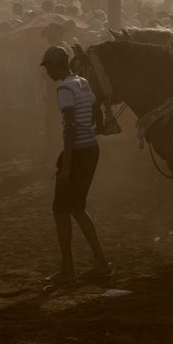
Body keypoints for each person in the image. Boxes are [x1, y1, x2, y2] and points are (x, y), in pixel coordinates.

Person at [42, 45, 109, 286]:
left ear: (56, 64)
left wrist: (67, 167)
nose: (47, 72)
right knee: (77, 209)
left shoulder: (63, 88)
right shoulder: (81, 82)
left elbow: (70, 127)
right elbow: (95, 108)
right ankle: (100, 262)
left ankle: (68, 269)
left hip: (78, 152)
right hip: (91, 148)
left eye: (48, 66)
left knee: (61, 210)